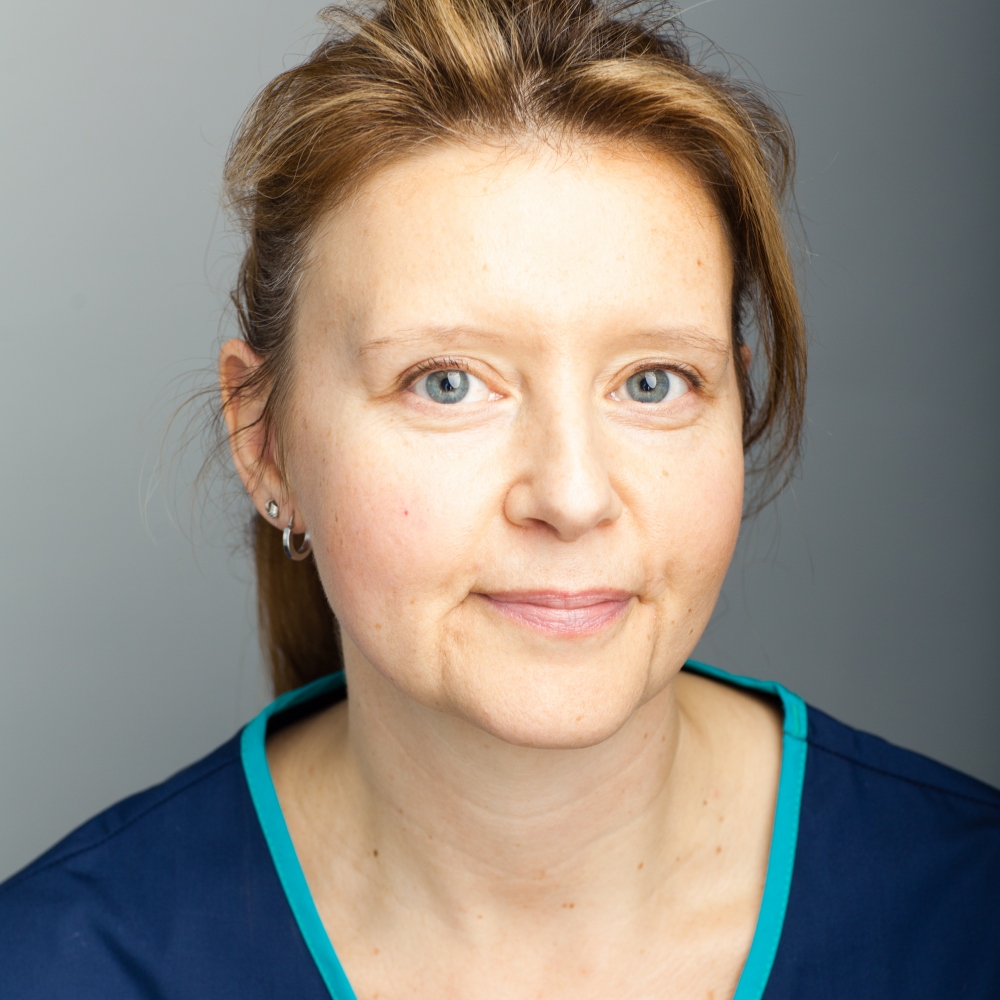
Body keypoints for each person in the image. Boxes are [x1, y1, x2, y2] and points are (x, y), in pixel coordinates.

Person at [1, 1, 997, 997]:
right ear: (263, 440)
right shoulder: (59, 964)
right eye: (447, 381)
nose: (570, 495)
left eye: (652, 381)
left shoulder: (966, 911)